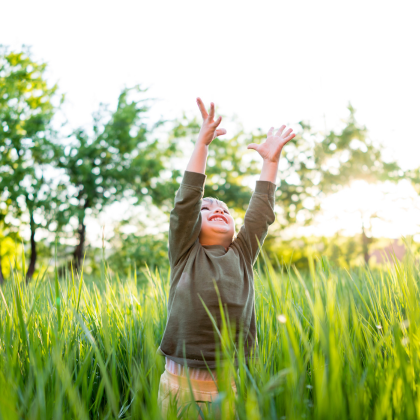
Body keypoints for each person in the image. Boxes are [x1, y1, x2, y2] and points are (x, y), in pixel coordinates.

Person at [157, 97, 296, 418]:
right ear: (194, 224)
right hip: (179, 383)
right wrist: (202, 145)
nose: (217, 209)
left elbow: (261, 212)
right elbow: (186, 201)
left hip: (230, 384)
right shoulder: (185, 253)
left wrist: (270, 162)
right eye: (207, 209)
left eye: (223, 209)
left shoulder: (242, 253)